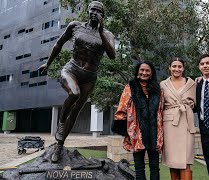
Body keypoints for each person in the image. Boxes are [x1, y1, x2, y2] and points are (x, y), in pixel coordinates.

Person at [38, 1, 115, 162]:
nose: (94, 12)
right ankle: (60, 123)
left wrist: (101, 31)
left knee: (77, 109)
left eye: (98, 11)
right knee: (74, 93)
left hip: (90, 76)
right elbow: (59, 44)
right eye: (92, 9)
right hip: (71, 69)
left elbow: (112, 55)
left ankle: (59, 145)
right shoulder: (75, 26)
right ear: (87, 11)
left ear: (103, 15)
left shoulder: (107, 34)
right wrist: (48, 63)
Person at [113, 61, 164, 180]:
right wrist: (127, 133)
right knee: (139, 168)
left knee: (155, 167)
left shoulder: (158, 89)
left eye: (147, 71)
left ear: (151, 73)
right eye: (142, 70)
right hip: (136, 134)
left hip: (155, 134)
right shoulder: (129, 88)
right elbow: (121, 111)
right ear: (137, 72)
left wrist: (161, 135)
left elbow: (161, 112)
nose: (144, 73)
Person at [160, 57, 196, 180]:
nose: (177, 69)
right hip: (170, 124)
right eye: (174, 66)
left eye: (179, 66)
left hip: (186, 122)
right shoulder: (163, 84)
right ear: (169, 67)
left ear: (183, 68)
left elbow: (196, 101)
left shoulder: (192, 83)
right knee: (173, 162)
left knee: (186, 161)